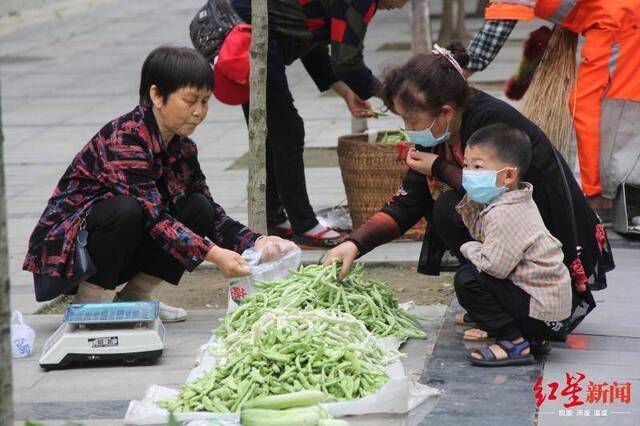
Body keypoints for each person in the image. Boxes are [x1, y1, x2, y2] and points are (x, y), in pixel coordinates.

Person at [324, 44, 614, 340]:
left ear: (445, 112)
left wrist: (439, 167)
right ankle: (498, 297)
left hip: (545, 226)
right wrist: (354, 244)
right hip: (506, 231)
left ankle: (515, 321)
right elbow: (409, 202)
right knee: (448, 210)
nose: (408, 128)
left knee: (464, 258)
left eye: (411, 120)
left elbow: (503, 192)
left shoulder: (492, 123)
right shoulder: (439, 130)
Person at [23, 46, 294, 322]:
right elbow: (153, 218)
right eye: (190, 101)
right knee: (126, 210)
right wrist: (214, 254)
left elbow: (211, 213)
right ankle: (86, 307)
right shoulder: (125, 139)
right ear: (156, 96)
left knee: (197, 208)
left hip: (122, 247)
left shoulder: (183, 148)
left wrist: (258, 241)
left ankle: (134, 299)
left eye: (205, 101)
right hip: (69, 258)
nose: (199, 112)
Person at [214, 0, 410, 247]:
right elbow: (347, 61)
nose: (404, 5)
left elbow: (311, 41)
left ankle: (273, 217)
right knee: (287, 130)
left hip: (247, 26)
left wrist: (347, 93)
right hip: (249, 32)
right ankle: (304, 225)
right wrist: (394, 97)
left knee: (273, 130)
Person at [465, 0, 640, 215]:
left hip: (621, 19)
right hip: (608, 17)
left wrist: (456, 70)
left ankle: (599, 197)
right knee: (590, 104)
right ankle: (599, 192)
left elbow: (489, 40)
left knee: (596, 106)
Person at [452, 124, 571, 366]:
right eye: (465, 165)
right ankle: (529, 336)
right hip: (548, 313)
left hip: (543, 316)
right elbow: (480, 232)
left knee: (468, 279)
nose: (468, 173)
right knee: (475, 272)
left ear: (508, 176)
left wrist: (468, 248)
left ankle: (515, 341)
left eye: (478, 167)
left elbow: (493, 267)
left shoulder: (505, 213)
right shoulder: (514, 200)